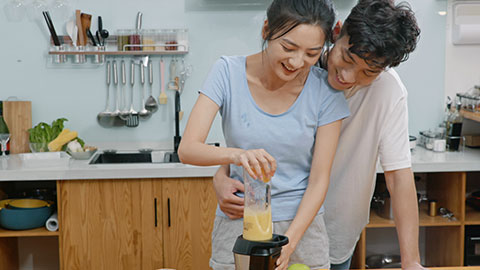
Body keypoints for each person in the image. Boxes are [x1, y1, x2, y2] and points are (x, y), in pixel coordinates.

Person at [212, 0, 424, 269]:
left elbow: (399, 177)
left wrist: (411, 261)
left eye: (368, 72)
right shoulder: (294, 66)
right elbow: (256, 135)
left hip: (335, 231)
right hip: (273, 223)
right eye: (346, 58)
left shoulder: (389, 92)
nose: (347, 75)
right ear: (336, 32)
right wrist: (221, 174)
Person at [178, 0, 350, 269]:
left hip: (302, 230)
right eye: (288, 47)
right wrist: (238, 156)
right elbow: (187, 148)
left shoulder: (325, 93)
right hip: (240, 223)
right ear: (266, 30)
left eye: (311, 54)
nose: (297, 62)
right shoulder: (226, 72)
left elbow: (319, 181)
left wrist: (290, 243)